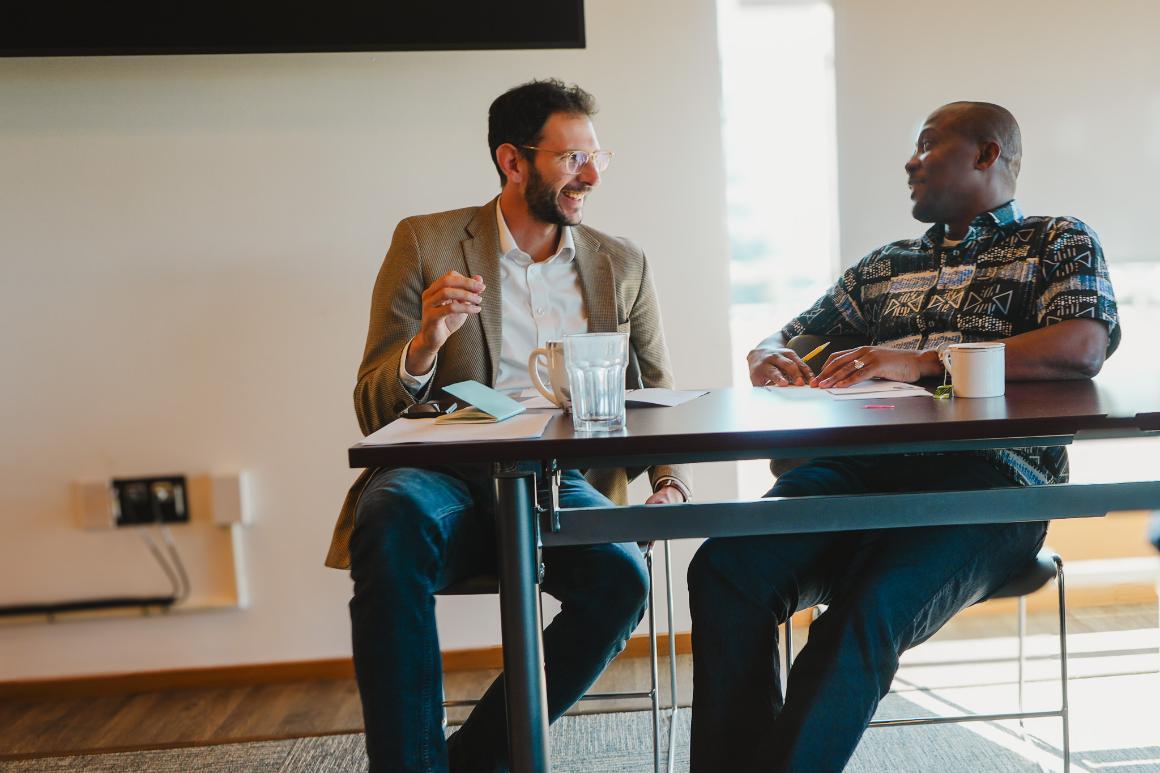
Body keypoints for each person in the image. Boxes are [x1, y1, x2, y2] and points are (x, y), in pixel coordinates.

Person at [687, 101, 1120, 772]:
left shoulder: (1056, 240)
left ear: (985, 155)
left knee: (866, 609)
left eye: (927, 145)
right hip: (858, 474)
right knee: (724, 568)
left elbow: (1082, 343)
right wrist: (766, 353)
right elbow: (791, 333)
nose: (910, 161)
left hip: (993, 483)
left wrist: (927, 360)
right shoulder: (885, 266)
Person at [325, 78, 691, 773]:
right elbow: (374, 407)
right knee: (389, 516)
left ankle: (467, 762)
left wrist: (670, 481)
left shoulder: (622, 262)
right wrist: (428, 340)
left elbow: (656, 387)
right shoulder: (427, 243)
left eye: (596, 157)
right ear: (513, 161)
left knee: (622, 580)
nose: (589, 175)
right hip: (442, 473)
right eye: (569, 158)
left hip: (558, 480)